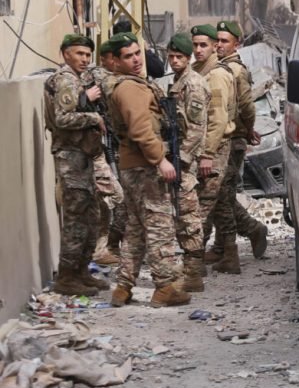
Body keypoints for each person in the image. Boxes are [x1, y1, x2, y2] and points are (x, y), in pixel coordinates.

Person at [106, 32, 190, 307]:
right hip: (144, 166)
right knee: (159, 225)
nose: (136, 60)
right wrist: (160, 160)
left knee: (135, 228)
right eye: (128, 56)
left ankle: (123, 286)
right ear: (116, 61)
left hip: (134, 165)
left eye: (137, 53)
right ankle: (165, 287)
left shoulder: (130, 84)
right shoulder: (129, 88)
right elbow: (140, 129)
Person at [43, 34, 109, 296]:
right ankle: (67, 277)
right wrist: (93, 117)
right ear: (65, 53)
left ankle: (81, 271)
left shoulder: (79, 79)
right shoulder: (65, 80)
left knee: (91, 216)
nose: (84, 59)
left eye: (87, 54)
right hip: (70, 157)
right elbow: (63, 119)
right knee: (75, 218)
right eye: (79, 53)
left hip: (82, 155)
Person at [210, 20, 269, 272]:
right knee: (222, 194)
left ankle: (252, 229)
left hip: (232, 139)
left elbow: (246, 105)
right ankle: (221, 246)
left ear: (237, 43)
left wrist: (247, 130)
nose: (219, 45)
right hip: (226, 138)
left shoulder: (236, 70)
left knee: (220, 195)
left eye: (225, 41)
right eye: (217, 40)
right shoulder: (219, 67)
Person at [189, 24, 242, 274]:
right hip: (204, 148)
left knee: (202, 206)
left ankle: (194, 263)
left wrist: (208, 154)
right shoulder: (198, 71)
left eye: (204, 45)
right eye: (195, 45)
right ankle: (230, 255)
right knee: (220, 203)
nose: (198, 50)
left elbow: (218, 120)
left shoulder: (216, 75)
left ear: (213, 47)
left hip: (215, 148)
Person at [165, 33, 210, 291]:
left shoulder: (192, 84)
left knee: (189, 215)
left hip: (185, 160)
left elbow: (196, 128)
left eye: (179, 57)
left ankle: (193, 272)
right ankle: (190, 269)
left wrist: (180, 160)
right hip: (178, 156)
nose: (174, 61)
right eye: (171, 57)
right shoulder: (178, 81)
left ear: (188, 57)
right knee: (182, 213)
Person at [83, 40, 125, 267]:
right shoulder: (101, 77)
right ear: (107, 59)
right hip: (88, 152)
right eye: (117, 58)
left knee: (105, 201)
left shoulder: (97, 78)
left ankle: (101, 249)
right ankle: (99, 249)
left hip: (99, 149)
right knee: (115, 197)